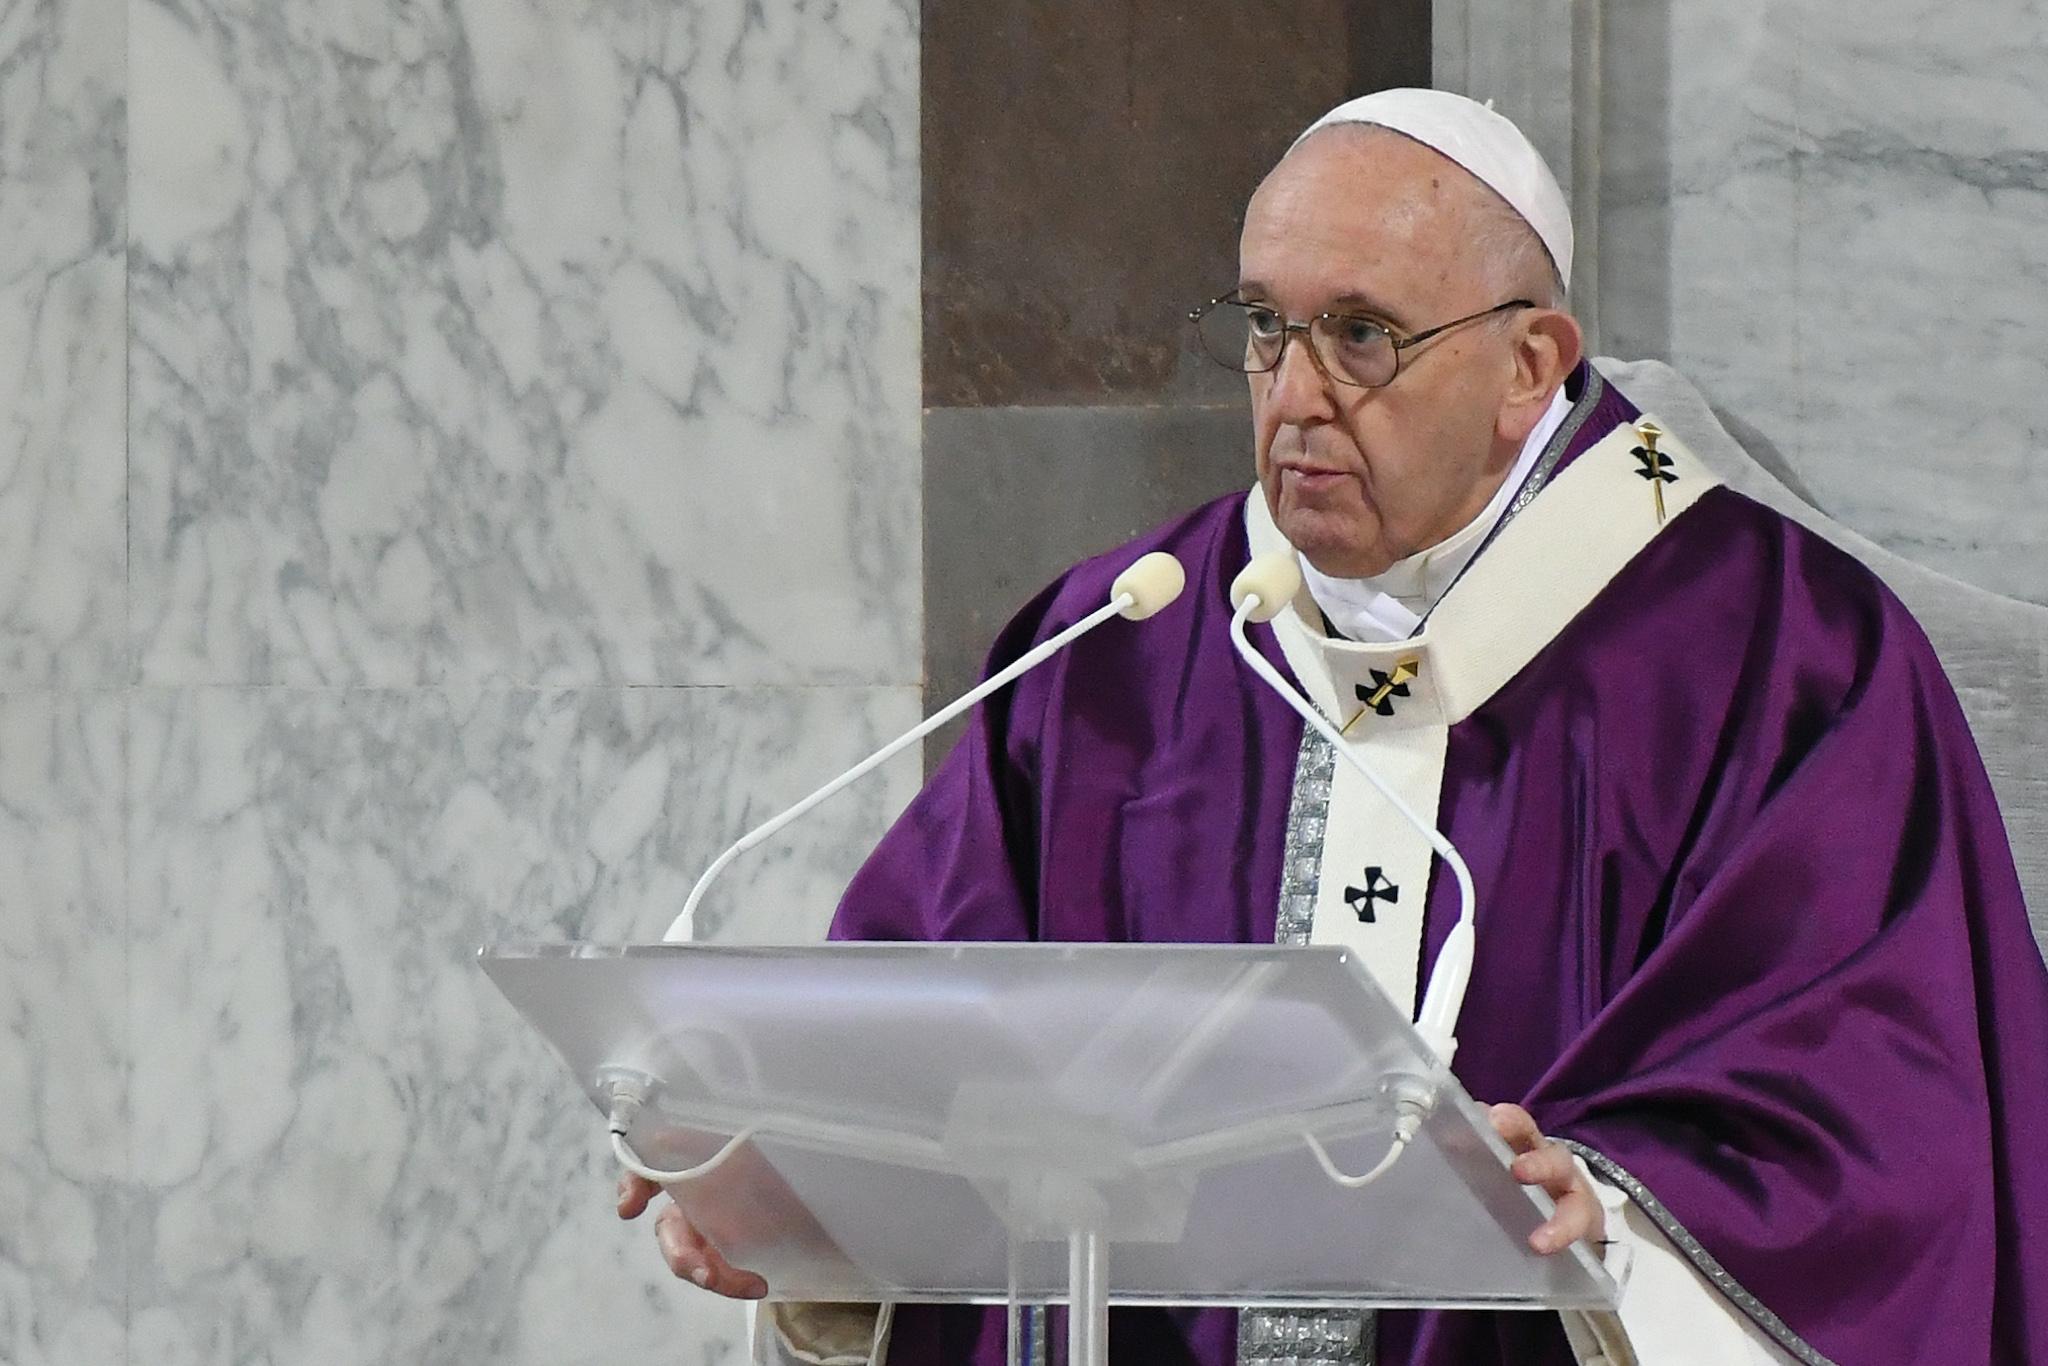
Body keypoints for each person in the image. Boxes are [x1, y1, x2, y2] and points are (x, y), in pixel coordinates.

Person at [620, 89, 2048, 1365]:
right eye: (1263, 326)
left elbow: (1884, 1123)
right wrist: (800, 1195)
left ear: (1528, 367)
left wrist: (1616, 1213)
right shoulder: (1122, 648)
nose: (1294, 396)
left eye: (1362, 335)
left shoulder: (1781, 653)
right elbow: (918, 1041)